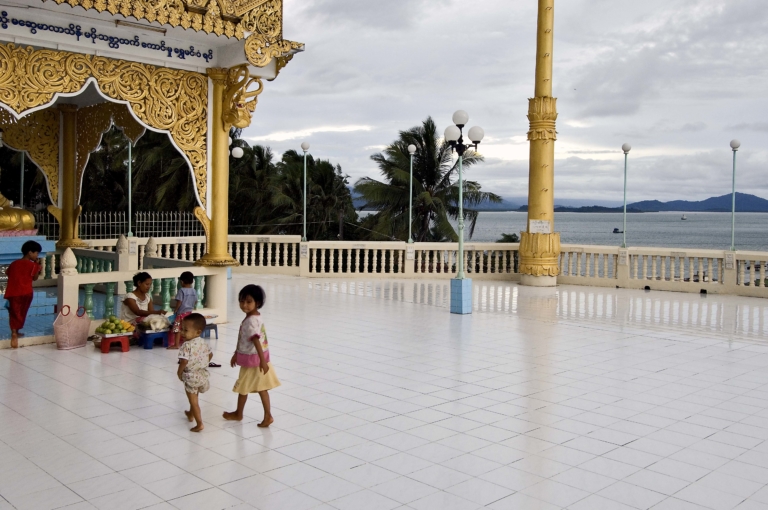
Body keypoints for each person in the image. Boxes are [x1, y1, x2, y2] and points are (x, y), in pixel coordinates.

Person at [223, 285, 280, 427]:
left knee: (250, 387)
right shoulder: (255, 317)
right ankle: (249, 414)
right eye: (242, 301)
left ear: (257, 303)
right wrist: (236, 354)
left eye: (249, 302)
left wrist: (262, 361)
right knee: (255, 387)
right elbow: (244, 339)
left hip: (254, 361)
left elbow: (255, 340)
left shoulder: (251, 321)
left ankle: (256, 415)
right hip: (256, 359)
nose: (244, 305)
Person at [177, 313, 211, 432]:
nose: (182, 332)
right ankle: (190, 414)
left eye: (185, 330)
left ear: (198, 332)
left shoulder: (186, 345)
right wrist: (202, 363)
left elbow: (184, 361)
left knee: (193, 401)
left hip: (191, 376)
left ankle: (199, 423)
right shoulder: (203, 342)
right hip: (202, 375)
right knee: (195, 395)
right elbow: (210, 354)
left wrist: (179, 372)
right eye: (182, 329)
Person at [4, 240, 42, 349]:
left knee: (13, 312)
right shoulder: (33, 265)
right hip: (26, 292)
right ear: (30, 252)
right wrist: (37, 266)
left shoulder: (14, 263)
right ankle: (17, 331)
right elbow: (34, 278)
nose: (37, 255)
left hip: (12, 292)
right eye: (36, 253)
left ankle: (14, 332)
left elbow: (7, 273)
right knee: (22, 312)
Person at [167, 271, 197, 350]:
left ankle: (176, 345)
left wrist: (176, 309)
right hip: (189, 313)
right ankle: (188, 344)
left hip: (181, 314)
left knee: (177, 329)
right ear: (192, 281)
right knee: (187, 329)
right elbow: (195, 301)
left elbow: (179, 302)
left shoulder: (181, 291)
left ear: (182, 282)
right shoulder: (193, 291)